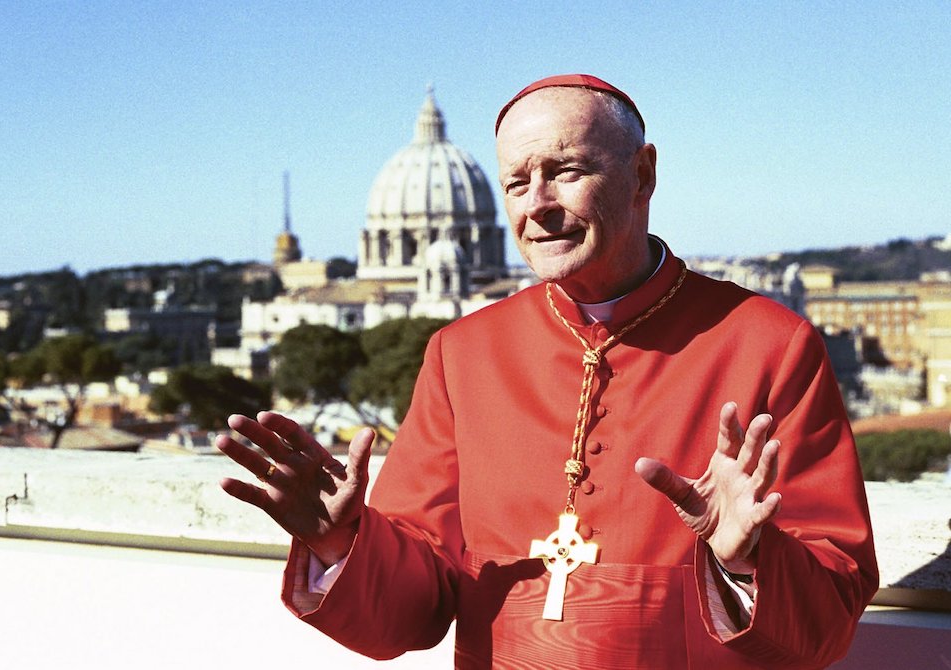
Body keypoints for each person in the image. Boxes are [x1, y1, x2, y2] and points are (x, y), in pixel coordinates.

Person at [216, 74, 878, 669]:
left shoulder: (771, 343)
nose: (537, 204)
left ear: (642, 175)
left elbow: (826, 620)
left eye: (564, 170)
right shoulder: (461, 353)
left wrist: (748, 560)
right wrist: (343, 542)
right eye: (516, 182)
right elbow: (412, 616)